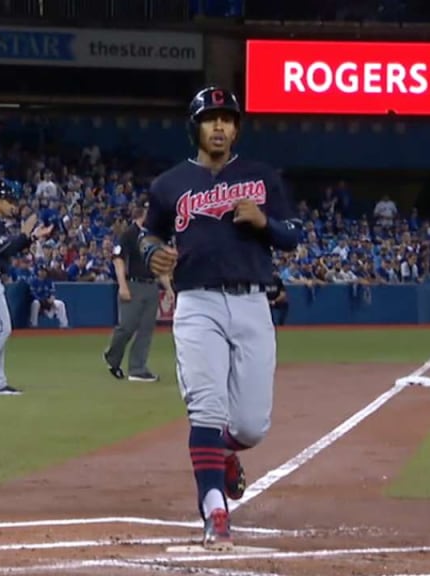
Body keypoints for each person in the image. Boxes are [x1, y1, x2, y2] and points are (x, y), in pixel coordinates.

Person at [140, 86, 300, 550]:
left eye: (228, 119)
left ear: (236, 128)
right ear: (196, 127)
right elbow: (147, 235)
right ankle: (214, 509)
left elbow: (292, 236)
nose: (220, 127)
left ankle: (226, 454)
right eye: (211, 119)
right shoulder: (169, 184)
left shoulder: (262, 177)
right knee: (206, 409)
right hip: (197, 304)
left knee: (251, 426)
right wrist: (152, 254)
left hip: (252, 302)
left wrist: (264, 222)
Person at [0, 182, 53, 396]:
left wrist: (29, 237)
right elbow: (7, 247)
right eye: (8, 200)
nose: (11, 204)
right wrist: (27, 236)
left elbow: (6, 250)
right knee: (3, 328)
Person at [103, 202, 167, 382]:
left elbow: (159, 263)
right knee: (127, 326)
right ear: (142, 213)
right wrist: (122, 285)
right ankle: (112, 356)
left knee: (146, 329)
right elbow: (118, 260)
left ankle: (137, 368)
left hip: (151, 284)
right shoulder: (129, 234)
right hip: (133, 284)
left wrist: (168, 288)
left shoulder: (154, 235)